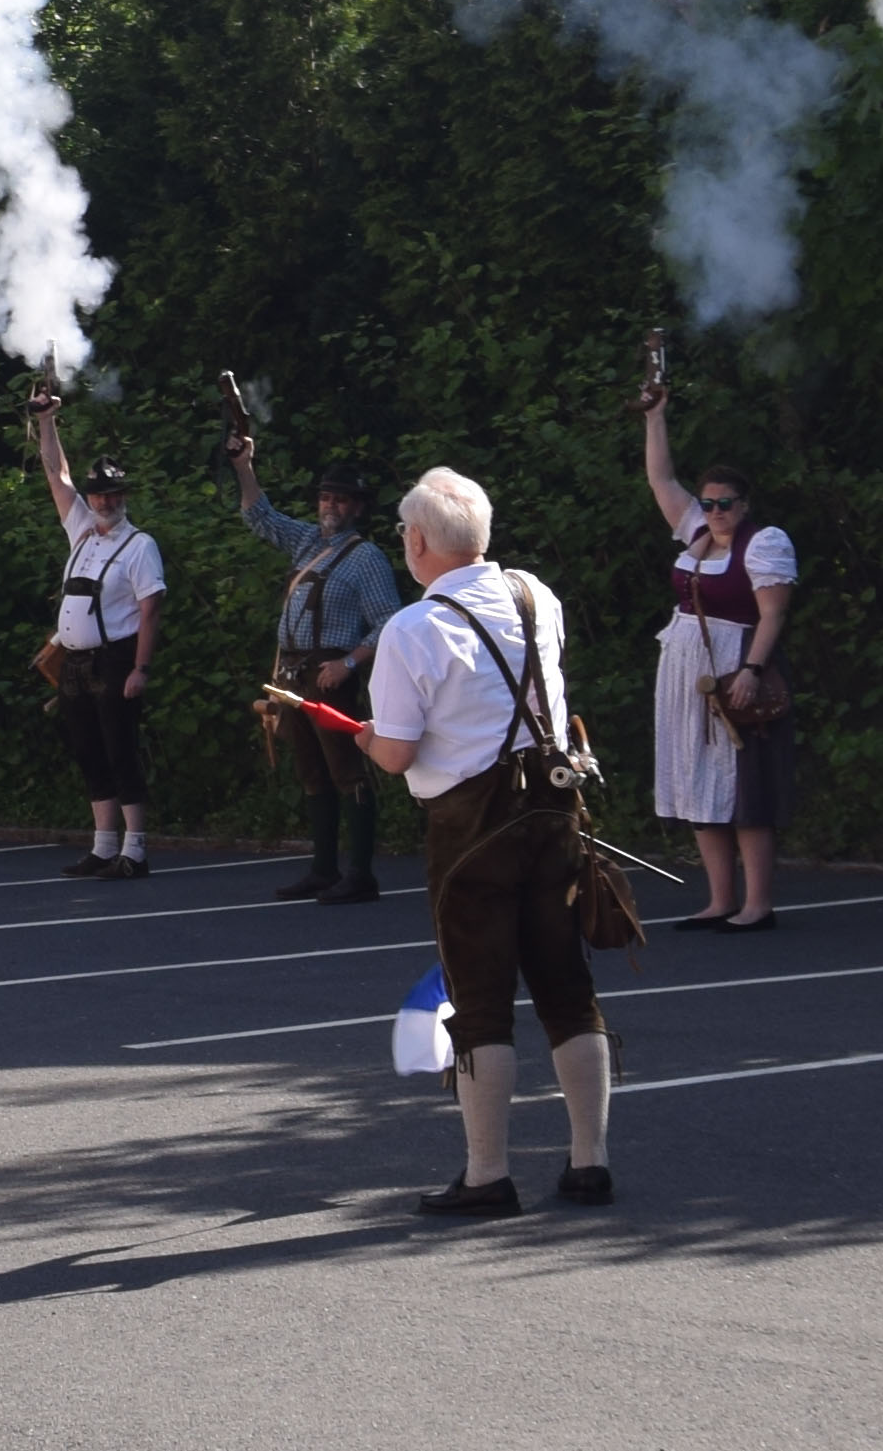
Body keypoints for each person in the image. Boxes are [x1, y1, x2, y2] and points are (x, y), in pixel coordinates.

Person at [361, 463, 615, 1219]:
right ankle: (590, 1161)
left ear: (418, 541)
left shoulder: (411, 629)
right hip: (553, 811)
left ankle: (487, 1174)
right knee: (568, 989)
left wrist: (369, 740)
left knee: (480, 1002)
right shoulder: (539, 595)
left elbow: (399, 753)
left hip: (470, 830)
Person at [635, 374, 797, 932]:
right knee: (698, 780)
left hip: (733, 663)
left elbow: (773, 612)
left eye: (725, 503)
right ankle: (719, 899)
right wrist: (655, 415)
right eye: (709, 502)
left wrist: (752, 668)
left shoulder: (766, 542)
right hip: (686, 669)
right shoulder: (695, 531)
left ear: (744, 504)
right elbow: (660, 478)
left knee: (742, 784)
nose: (716, 510)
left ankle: (757, 903)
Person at [233, 431, 402, 904]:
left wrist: (348, 663)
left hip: (331, 676)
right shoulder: (307, 540)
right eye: (326, 497)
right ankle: (323, 869)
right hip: (294, 676)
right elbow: (258, 516)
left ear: (358, 508)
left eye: (341, 499)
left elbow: (390, 620)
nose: (331, 505)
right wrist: (244, 465)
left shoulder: (367, 557)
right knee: (312, 773)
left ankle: (360, 873)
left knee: (348, 772)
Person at [30, 388, 165, 879]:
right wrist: (46, 421)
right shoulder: (81, 528)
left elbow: (151, 611)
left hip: (116, 658)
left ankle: (136, 850)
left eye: (112, 495)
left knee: (120, 749)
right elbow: (55, 473)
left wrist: (140, 668)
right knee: (87, 749)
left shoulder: (140, 545)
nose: (105, 502)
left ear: (124, 497)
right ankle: (103, 846)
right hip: (75, 660)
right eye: (98, 495)